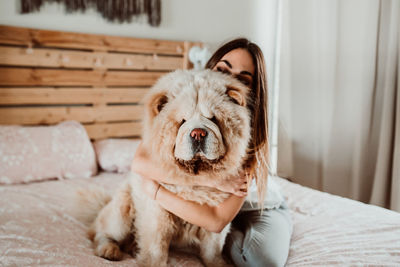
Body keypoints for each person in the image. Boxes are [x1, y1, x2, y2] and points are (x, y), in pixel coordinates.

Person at [131, 38, 293, 267]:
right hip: (219, 204)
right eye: (223, 70)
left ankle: (260, 228)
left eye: (241, 78)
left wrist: (155, 190)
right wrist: (216, 182)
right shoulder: (182, 97)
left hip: (259, 206)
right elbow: (140, 162)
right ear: (210, 68)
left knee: (261, 261)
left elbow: (216, 221)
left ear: (253, 90)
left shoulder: (245, 131)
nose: (228, 80)